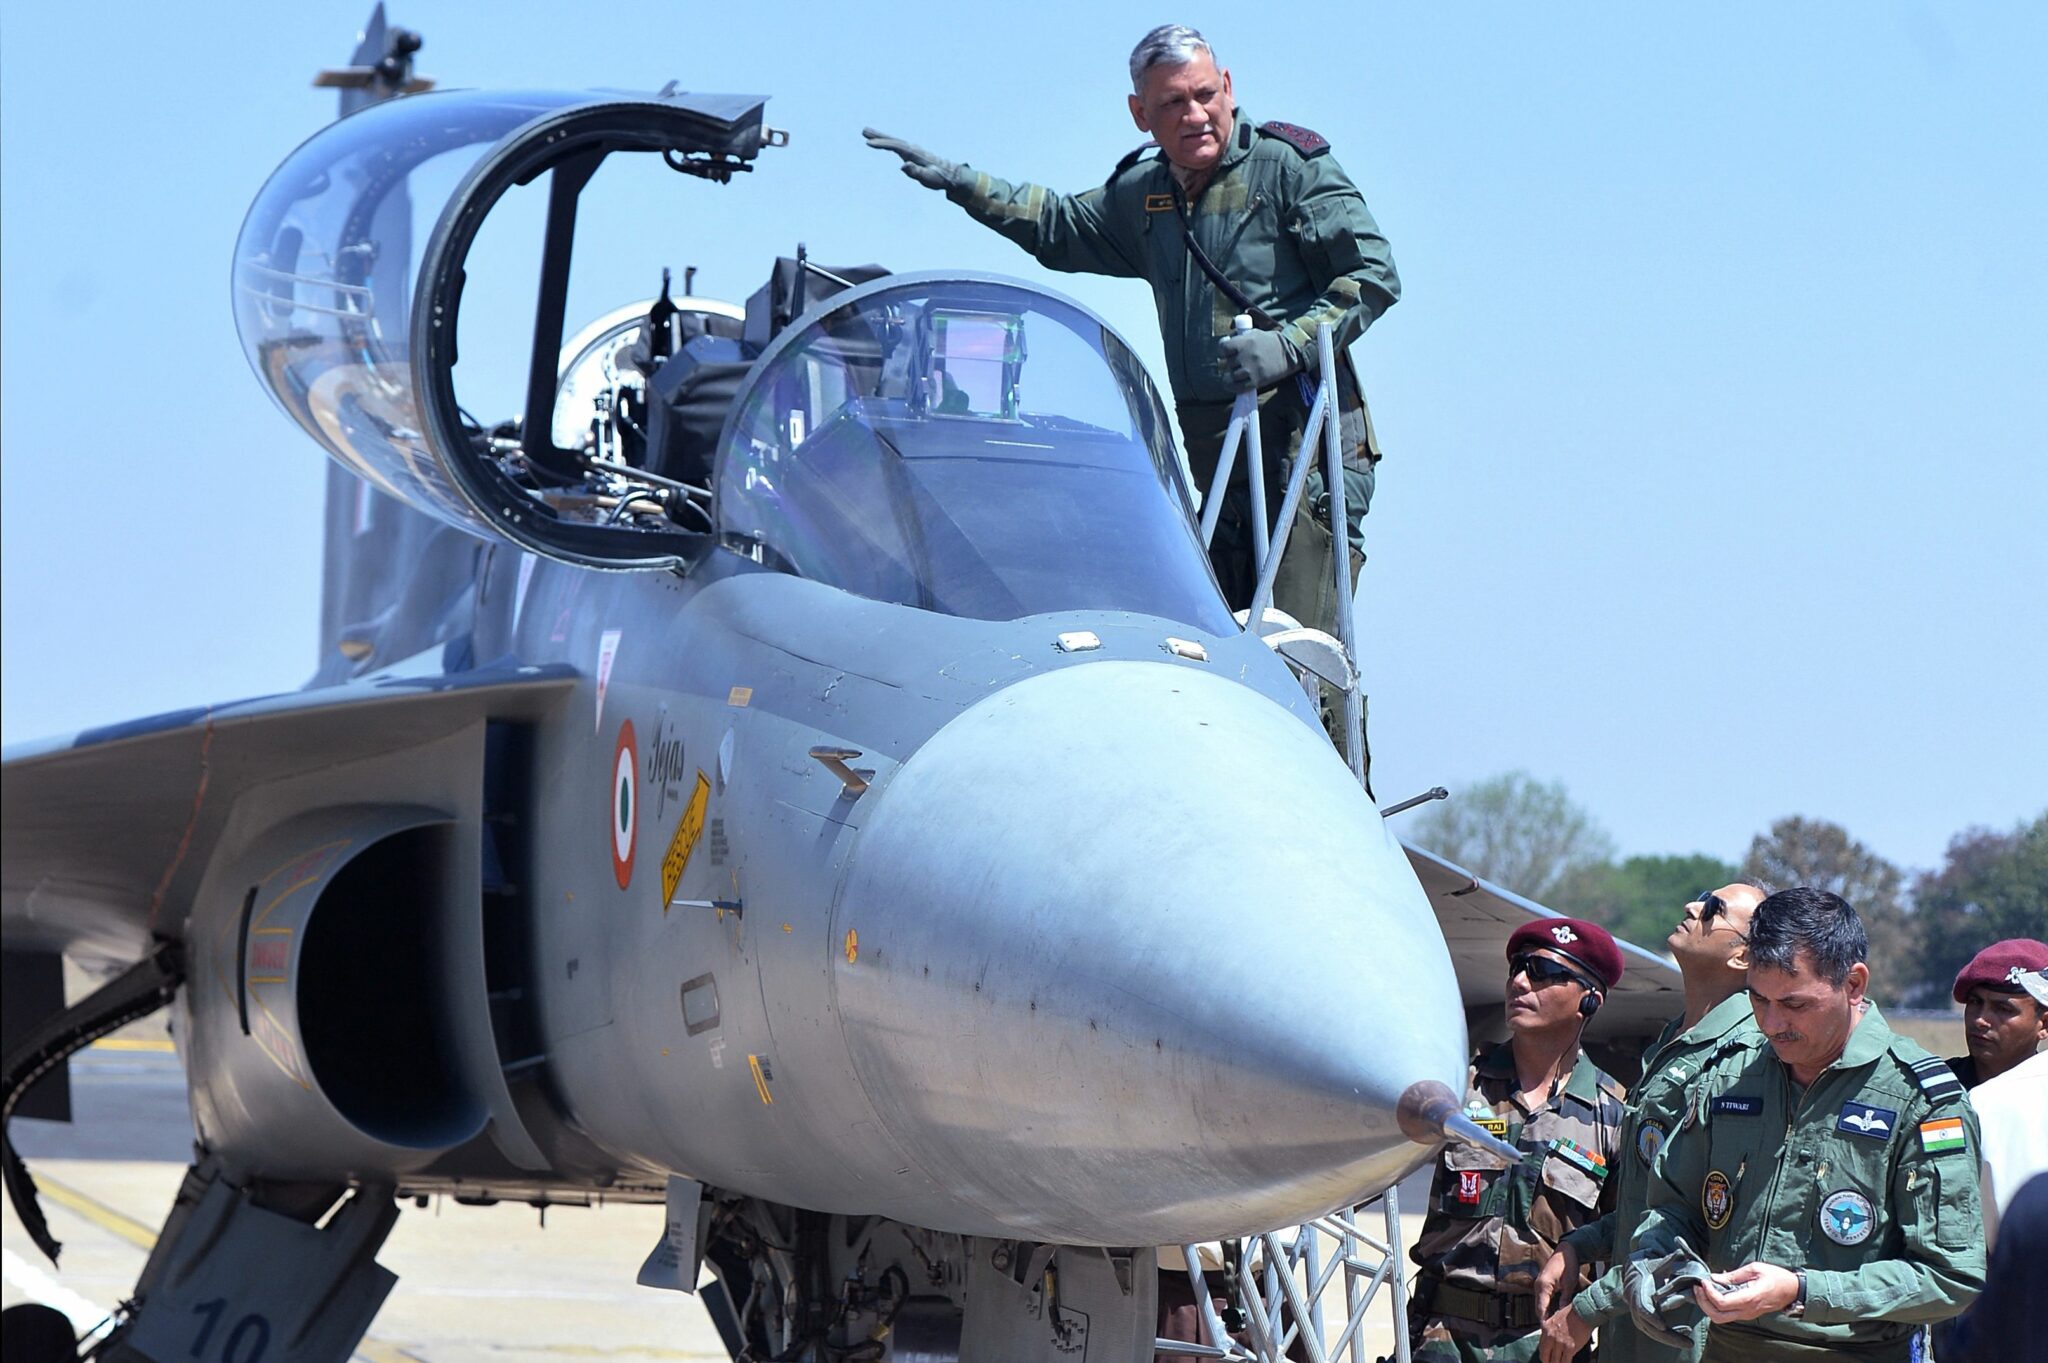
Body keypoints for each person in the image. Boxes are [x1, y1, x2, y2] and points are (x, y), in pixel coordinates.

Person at [864, 24, 1399, 639]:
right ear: (1140, 114)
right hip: (1212, 449)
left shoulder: (1287, 170)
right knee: (1221, 643)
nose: (1194, 115)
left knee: (1300, 652)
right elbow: (1060, 224)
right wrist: (963, 183)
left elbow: (1374, 273)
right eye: (1173, 103)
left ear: (1227, 87)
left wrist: (1288, 345)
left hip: (1300, 441)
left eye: (1204, 94)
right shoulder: (1148, 193)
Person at [1633, 888, 1985, 1362]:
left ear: (1854, 984)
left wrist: (1801, 1291)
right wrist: (1651, 1264)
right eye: (1758, 1000)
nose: (1772, 1023)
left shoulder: (1920, 1100)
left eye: (1795, 1004)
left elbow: (1950, 1276)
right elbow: (1672, 1206)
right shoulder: (1730, 1076)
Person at [1532, 885, 1767, 1363]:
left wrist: (1587, 1309)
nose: (1692, 907)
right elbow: (1655, 1200)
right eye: (1702, 897)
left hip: (1684, 1335)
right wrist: (1583, 1242)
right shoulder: (1676, 1039)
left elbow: (1708, 1224)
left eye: (1713, 909)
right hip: (1635, 1328)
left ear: (1742, 957)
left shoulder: (1744, 1059)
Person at [1407, 918, 1627, 1361]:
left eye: (1542, 971)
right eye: (1517, 968)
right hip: (1443, 1339)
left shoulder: (1614, 1114)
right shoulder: (1459, 1087)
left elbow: (1631, 1238)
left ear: (1589, 1000)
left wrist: (1586, 1315)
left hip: (1548, 1343)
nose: (1520, 982)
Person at [1942, 937, 2048, 1087]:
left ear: (2044, 1025)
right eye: (1975, 1002)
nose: (1980, 1020)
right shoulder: (1931, 1090)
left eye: (2003, 1009)